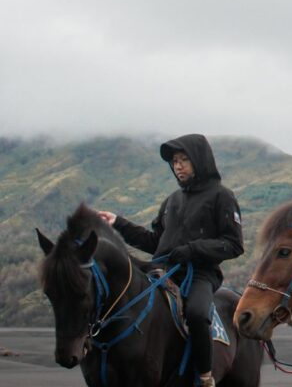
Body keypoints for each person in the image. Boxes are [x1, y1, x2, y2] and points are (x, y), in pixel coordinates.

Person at [97, 134, 243, 387]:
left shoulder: (222, 196)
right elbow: (155, 242)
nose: (178, 165)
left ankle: (205, 375)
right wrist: (118, 223)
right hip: (164, 271)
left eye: (184, 159)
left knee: (197, 314)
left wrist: (192, 250)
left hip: (199, 274)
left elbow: (234, 244)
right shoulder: (172, 201)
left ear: (200, 160)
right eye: (175, 161)